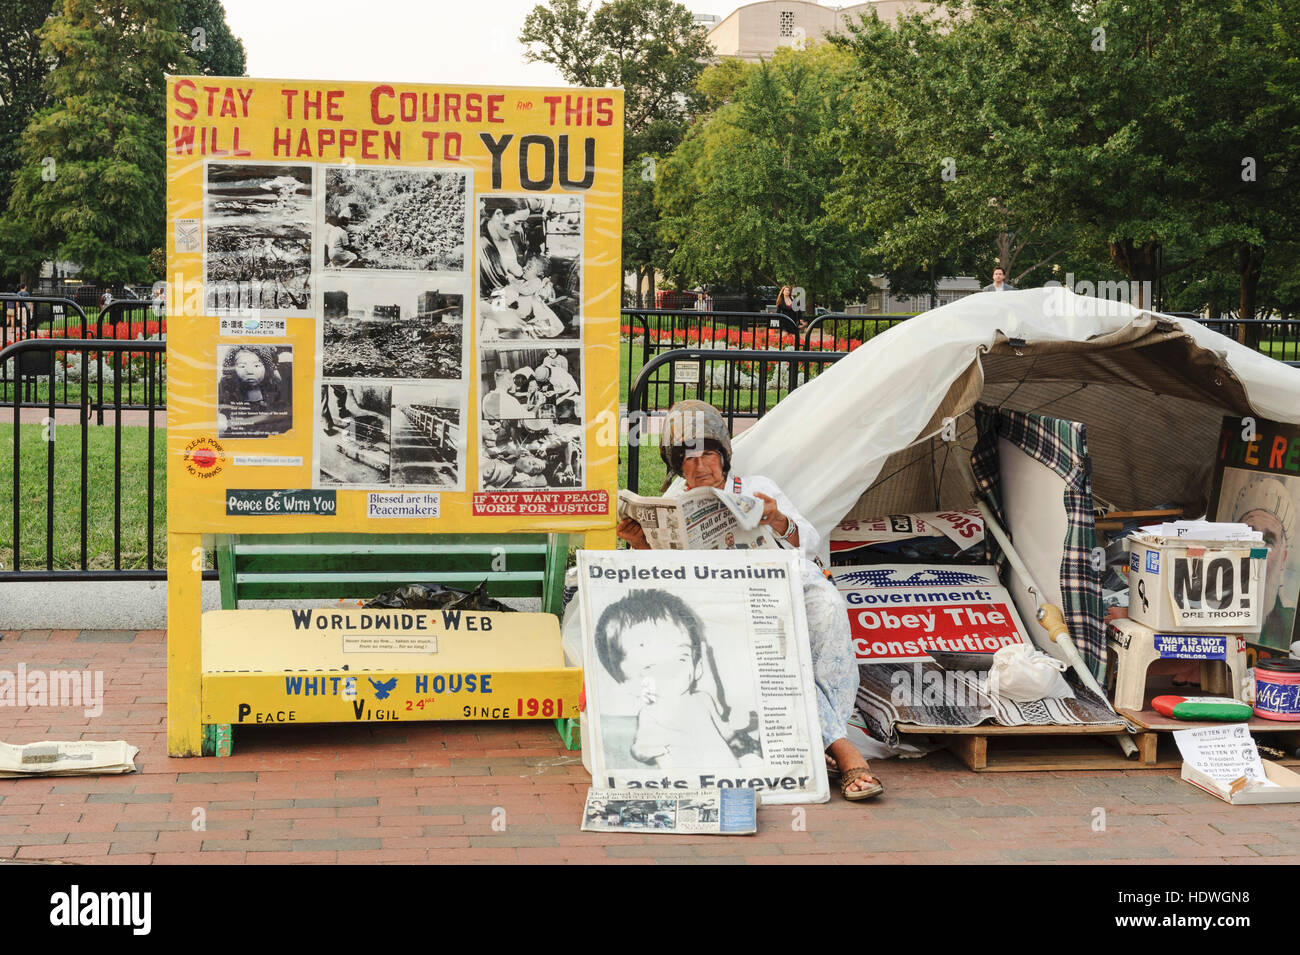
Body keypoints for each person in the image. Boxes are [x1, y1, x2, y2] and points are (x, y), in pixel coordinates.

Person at [615, 400, 883, 801]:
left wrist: (777, 520)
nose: (700, 466)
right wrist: (641, 545)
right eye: (687, 458)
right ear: (676, 465)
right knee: (773, 650)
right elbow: (665, 579)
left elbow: (808, 541)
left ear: (723, 455)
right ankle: (842, 751)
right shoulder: (673, 499)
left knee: (827, 607)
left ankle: (827, 735)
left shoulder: (759, 488)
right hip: (729, 604)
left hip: (788, 586)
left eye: (708, 453)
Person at [594, 589, 761, 769]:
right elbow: (639, 748)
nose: (669, 672)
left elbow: (725, 731)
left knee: (754, 763)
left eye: (680, 659)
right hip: (687, 780)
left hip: (729, 770)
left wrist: (746, 748)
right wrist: (649, 750)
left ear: (697, 668)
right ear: (629, 685)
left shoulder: (703, 699)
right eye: (650, 666)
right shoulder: (650, 713)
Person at [1233, 476, 1296, 650]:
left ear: (1282, 558)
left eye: (1267, 541)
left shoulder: (1289, 621)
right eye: (1248, 535)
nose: (1256, 552)